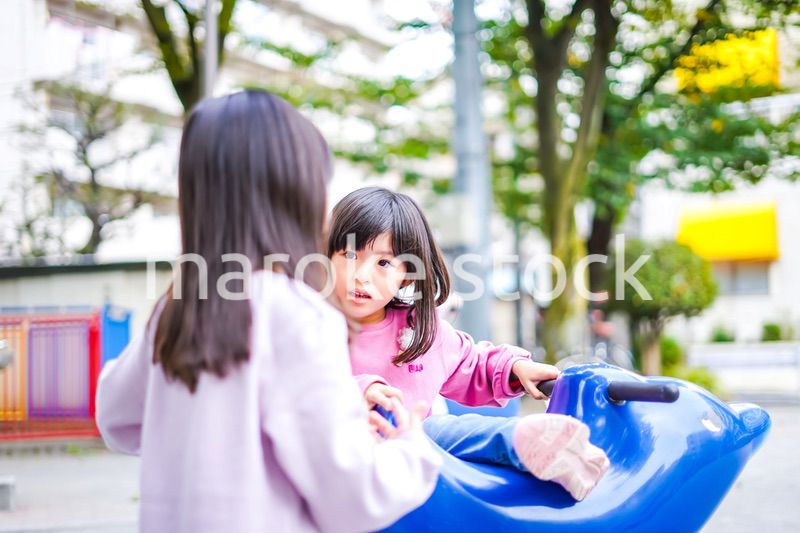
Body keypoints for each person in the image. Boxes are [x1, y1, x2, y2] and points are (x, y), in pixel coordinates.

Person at [95, 91, 440, 533]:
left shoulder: (179, 307)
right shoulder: (296, 314)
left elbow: (116, 419)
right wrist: (412, 447)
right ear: (297, 194)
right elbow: (356, 499)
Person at [327, 187, 609, 501]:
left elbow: (471, 364)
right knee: (428, 431)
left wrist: (514, 368)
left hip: (421, 449)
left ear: (407, 275)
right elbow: (297, 385)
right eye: (350, 255)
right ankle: (526, 443)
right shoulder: (311, 326)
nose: (361, 275)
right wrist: (359, 390)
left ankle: (537, 444)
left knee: (444, 429)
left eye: (383, 264)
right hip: (342, 456)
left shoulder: (420, 330)